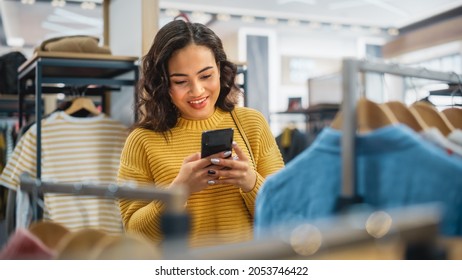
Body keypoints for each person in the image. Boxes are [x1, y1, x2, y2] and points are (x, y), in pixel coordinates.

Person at [117, 19, 284, 248]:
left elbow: (287, 215)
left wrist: (251, 182)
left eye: (206, 76)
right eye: (181, 81)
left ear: (220, 70)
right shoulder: (142, 141)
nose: (197, 91)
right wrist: (178, 192)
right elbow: (135, 235)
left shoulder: (251, 123)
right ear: (163, 83)